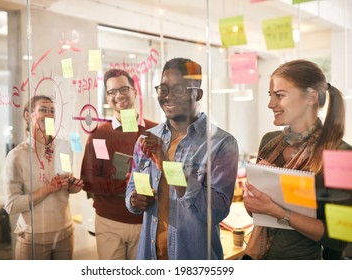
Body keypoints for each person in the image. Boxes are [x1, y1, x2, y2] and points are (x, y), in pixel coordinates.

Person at [125, 57, 239, 260]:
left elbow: (216, 211)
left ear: (198, 94)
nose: (168, 97)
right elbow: (132, 187)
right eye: (163, 89)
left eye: (179, 90)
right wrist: (134, 200)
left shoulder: (221, 143)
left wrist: (167, 164)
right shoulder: (147, 139)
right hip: (150, 255)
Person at [243, 59, 352, 260]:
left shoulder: (339, 155)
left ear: (310, 98)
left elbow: (342, 236)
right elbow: (258, 214)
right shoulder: (269, 143)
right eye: (270, 96)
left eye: (280, 96)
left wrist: (278, 211)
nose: (270, 104)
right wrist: (254, 202)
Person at [81, 69, 157, 260]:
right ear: (107, 98)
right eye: (112, 92)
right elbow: (88, 182)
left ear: (135, 92)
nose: (119, 96)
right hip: (109, 222)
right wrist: (121, 184)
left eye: (124, 89)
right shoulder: (99, 134)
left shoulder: (155, 131)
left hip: (147, 221)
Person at [3, 95, 84, 260]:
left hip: (65, 234)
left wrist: (72, 187)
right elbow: (11, 205)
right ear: (28, 115)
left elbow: (67, 183)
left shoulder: (64, 147)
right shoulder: (17, 155)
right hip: (33, 238)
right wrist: (47, 189)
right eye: (43, 109)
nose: (49, 115)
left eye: (52, 111)